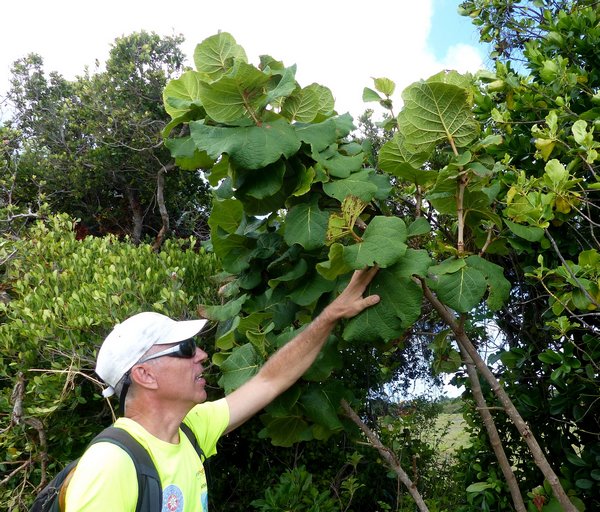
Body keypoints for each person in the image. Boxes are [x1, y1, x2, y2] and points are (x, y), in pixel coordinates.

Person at [64, 267, 380, 511]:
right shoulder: (111, 465)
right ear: (145, 375)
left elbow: (269, 381)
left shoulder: (190, 429)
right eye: (185, 349)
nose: (201, 355)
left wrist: (331, 315)